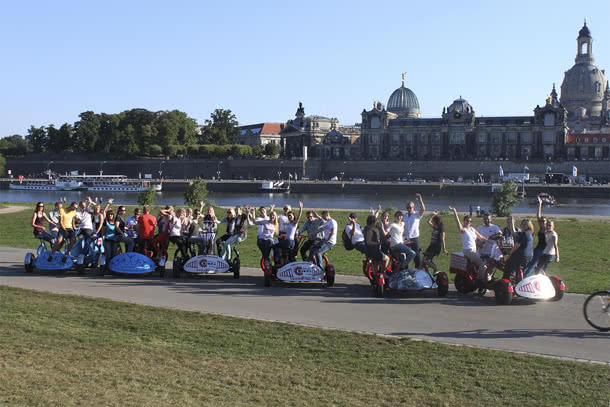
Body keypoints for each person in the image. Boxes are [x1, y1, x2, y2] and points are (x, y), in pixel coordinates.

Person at [449, 206, 489, 289]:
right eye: (467, 220)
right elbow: (457, 223)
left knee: (489, 261)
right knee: (482, 264)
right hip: (468, 251)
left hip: (475, 251)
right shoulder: (463, 230)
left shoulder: (472, 229)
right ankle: (480, 280)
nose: (469, 222)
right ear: (464, 221)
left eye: (470, 221)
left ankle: (484, 278)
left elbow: (481, 237)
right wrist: (455, 212)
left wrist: (491, 241)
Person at [523, 196, 547, 276]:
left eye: (544, 221)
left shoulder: (548, 231)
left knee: (532, 265)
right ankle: (522, 276)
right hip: (537, 249)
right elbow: (538, 216)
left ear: (547, 223)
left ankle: (525, 277)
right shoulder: (541, 227)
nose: (542, 222)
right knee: (529, 264)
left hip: (542, 251)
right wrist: (540, 204)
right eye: (541, 221)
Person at [403, 193, 426, 268]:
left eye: (410, 207)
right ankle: (405, 270)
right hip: (405, 238)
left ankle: (418, 270)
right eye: (408, 208)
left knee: (416, 255)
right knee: (405, 255)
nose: (409, 209)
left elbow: (423, 209)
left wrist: (420, 199)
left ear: (413, 207)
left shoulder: (417, 215)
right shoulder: (404, 216)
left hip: (414, 238)